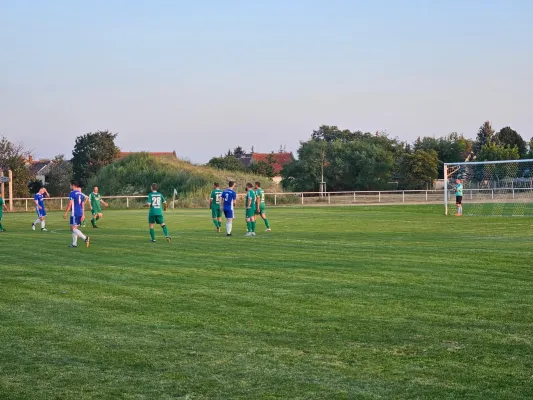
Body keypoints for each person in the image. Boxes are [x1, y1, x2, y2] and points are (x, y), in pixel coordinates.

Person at [63, 181, 90, 248]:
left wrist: (65, 213)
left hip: (74, 213)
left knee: (73, 228)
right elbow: (83, 205)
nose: (71, 187)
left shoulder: (72, 193)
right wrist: (83, 214)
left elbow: (69, 204)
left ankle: (85, 238)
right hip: (80, 212)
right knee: (74, 228)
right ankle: (74, 244)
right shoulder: (80, 194)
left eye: (71, 185)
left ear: (74, 186)